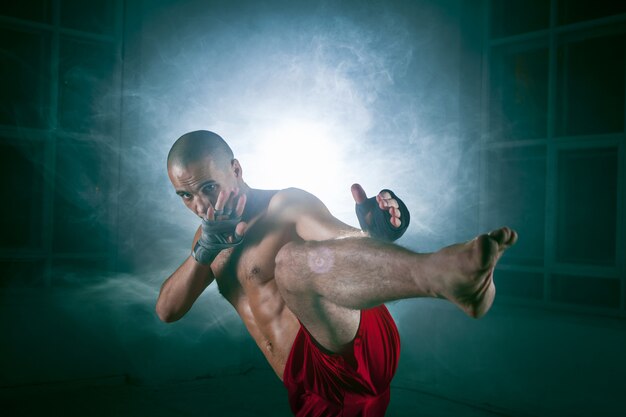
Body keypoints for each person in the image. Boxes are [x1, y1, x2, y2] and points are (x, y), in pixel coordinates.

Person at [156, 130, 518, 416]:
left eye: (208, 188)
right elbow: (167, 310)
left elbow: (340, 238)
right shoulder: (207, 242)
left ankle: (446, 275)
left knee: (292, 262)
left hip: (353, 345)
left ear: (235, 170)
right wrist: (204, 251)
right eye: (185, 197)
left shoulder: (285, 205)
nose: (200, 205)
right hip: (311, 387)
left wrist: (376, 236)